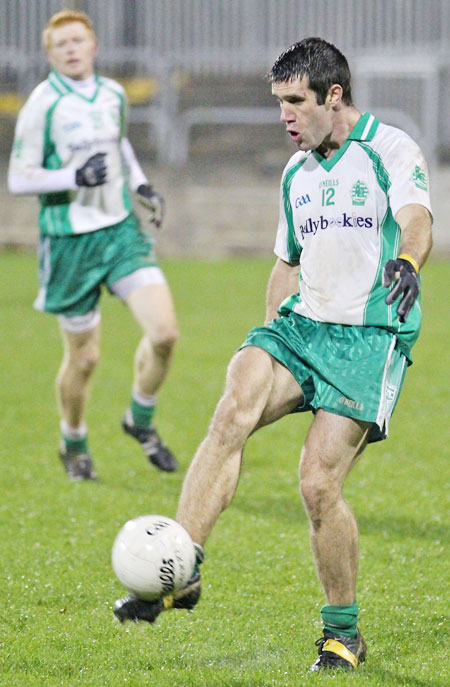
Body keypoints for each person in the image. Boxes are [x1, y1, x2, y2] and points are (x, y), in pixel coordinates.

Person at [113, 38, 433, 671]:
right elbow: (286, 263)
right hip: (301, 325)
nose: (284, 116)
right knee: (234, 407)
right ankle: (181, 567)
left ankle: (343, 634)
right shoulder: (295, 173)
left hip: (369, 336)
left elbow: (418, 215)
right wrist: (265, 342)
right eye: (278, 102)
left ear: (332, 96)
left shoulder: (390, 148)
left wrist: (407, 259)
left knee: (317, 485)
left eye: (294, 102)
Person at [8, 9, 180, 480]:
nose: (70, 48)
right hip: (70, 242)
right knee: (85, 359)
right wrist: (73, 176)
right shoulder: (43, 104)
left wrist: (142, 186)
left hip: (120, 231)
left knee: (164, 333)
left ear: (93, 46)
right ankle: (74, 439)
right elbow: (18, 179)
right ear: (50, 53)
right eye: (60, 43)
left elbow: (120, 143)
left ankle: (139, 419)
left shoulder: (112, 93)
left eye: (77, 40)